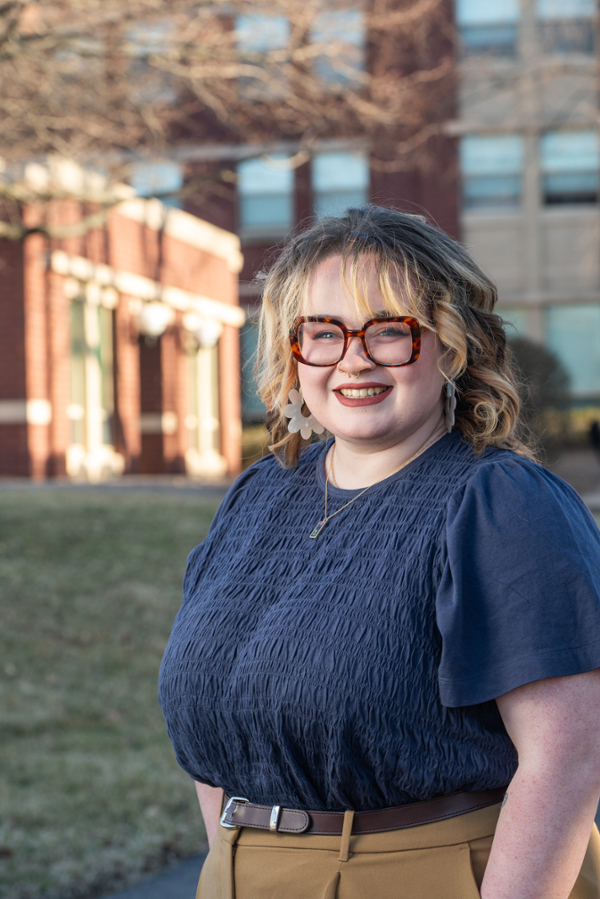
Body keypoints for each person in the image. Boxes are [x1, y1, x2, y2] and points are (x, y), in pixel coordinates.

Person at [159, 205, 600, 899]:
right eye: (324, 333)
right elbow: (219, 720)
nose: (354, 358)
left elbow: (569, 756)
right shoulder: (257, 497)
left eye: (390, 331)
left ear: (451, 345)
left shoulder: (500, 503)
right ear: (292, 347)